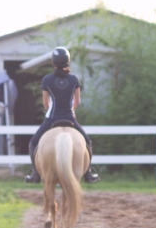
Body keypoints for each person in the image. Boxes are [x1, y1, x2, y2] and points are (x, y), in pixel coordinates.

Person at [24, 46, 100, 184]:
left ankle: (35, 174)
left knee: (33, 143)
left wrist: (50, 110)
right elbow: (77, 102)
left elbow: (45, 103)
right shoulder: (74, 80)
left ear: (53, 62)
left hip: (51, 118)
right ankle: (88, 173)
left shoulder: (46, 80)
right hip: (70, 118)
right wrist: (70, 110)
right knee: (87, 142)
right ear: (68, 61)